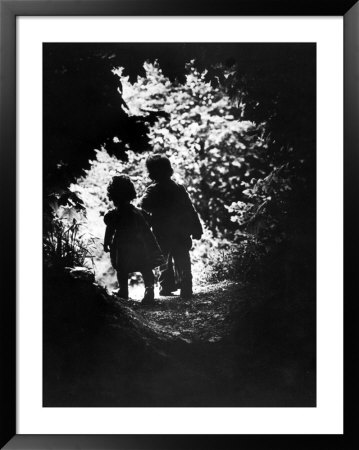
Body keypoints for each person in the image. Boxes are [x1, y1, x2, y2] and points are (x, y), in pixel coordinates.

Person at [140, 154, 203, 299]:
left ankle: (166, 287)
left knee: (163, 261)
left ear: (151, 173)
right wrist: (196, 228)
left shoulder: (152, 190)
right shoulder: (179, 188)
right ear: (169, 170)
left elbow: (144, 205)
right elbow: (190, 209)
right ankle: (186, 286)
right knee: (183, 259)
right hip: (181, 231)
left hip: (162, 232)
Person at [104, 175, 164, 305]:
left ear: (112, 196)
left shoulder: (114, 215)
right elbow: (149, 222)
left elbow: (109, 229)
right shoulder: (139, 212)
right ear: (131, 193)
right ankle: (149, 290)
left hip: (123, 248)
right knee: (146, 268)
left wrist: (106, 242)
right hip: (140, 246)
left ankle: (123, 291)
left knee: (122, 269)